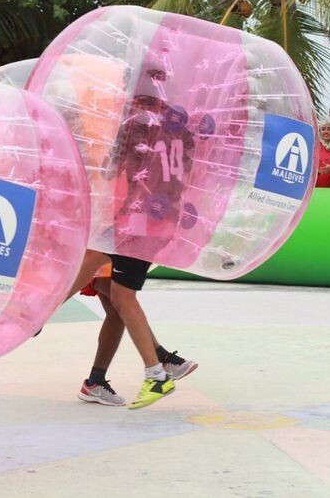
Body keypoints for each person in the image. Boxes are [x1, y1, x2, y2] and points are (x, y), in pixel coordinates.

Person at [65, 66, 196, 410]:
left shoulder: (134, 123)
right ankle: (155, 363)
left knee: (119, 298)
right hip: (161, 220)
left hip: (135, 221)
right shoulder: (181, 129)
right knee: (112, 291)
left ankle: (156, 372)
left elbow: (111, 168)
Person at [75, 269, 197, 406]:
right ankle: (162, 358)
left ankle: (95, 381)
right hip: (93, 258)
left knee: (117, 312)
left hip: (106, 258)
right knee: (123, 300)